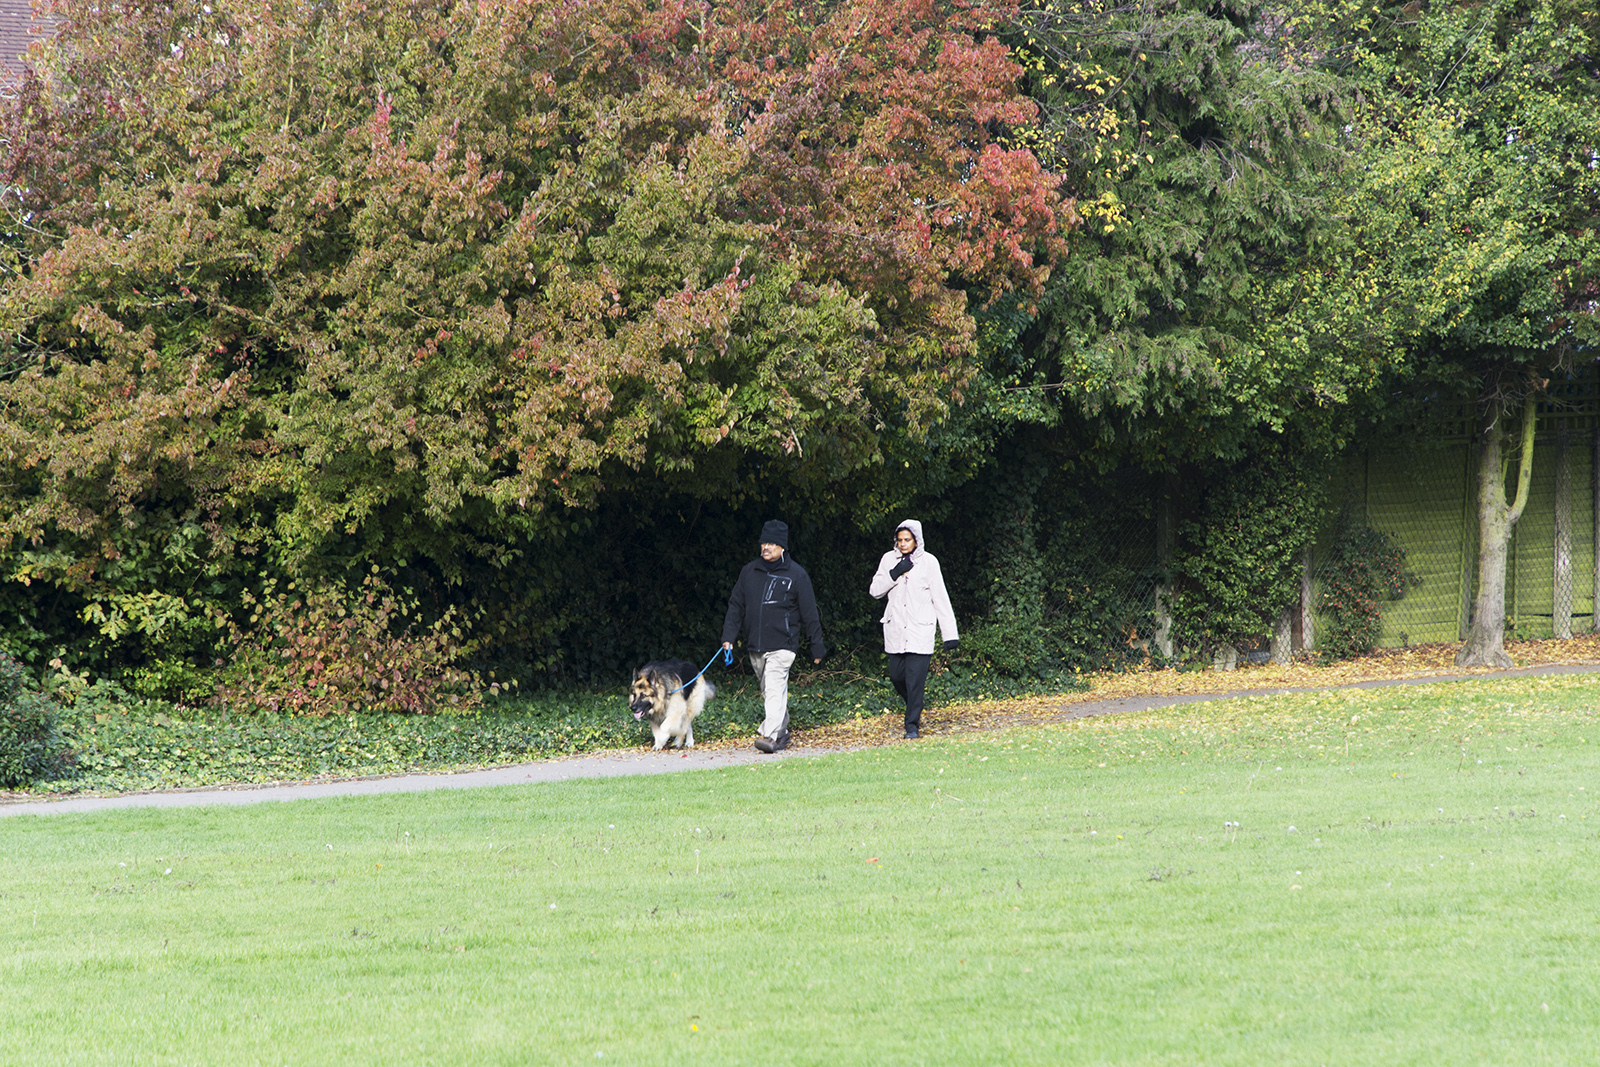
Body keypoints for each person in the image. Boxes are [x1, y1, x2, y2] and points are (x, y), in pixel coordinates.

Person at [721, 520, 826, 753]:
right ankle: (782, 731)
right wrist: (728, 637)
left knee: (774, 685)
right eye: (763, 542)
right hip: (755, 645)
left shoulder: (797, 575)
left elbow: (809, 613)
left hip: (783, 644)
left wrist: (816, 646)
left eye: (771, 543)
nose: (765, 547)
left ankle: (769, 736)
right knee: (770, 690)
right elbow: (736, 605)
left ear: (782, 547)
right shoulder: (749, 572)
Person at [869, 519, 958, 739]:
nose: (903, 544)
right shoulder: (888, 559)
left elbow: (940, 598)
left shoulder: (929, 562)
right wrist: (894, 573)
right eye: (899, 540)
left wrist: (950, 634)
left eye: (907, 540)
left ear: (916, 540)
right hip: (896, 629)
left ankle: (912, 726)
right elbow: (875, 591)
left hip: (921, 631)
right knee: (897, 676)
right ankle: (916, 705)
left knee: (914, 679)